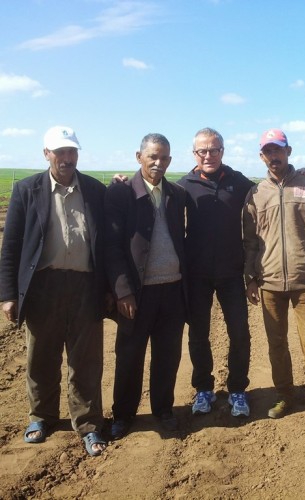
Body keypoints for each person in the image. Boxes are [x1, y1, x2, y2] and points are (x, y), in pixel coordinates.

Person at [0, 126, 109, 456]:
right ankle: (41, 417)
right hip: (43, 286)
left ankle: (89, 424)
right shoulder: (27, 190)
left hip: (85, 285)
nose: (66, 158)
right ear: (46, 153)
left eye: (72, 151)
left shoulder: (94, 189)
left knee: (86, 360)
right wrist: (7, 294)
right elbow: (11, 246)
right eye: (60, 151)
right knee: (42, 357)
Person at [242, 129, 305, 429]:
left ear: (289, 151)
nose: (274, 156)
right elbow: (249, 241)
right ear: (262, 156)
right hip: (269, 282)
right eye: (268, 151)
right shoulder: (256, 193)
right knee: (276, 344)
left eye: (278, 150)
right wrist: (250, 277)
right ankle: (284, 395)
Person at [105, 133, 187, 440]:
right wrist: (122, 290)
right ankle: (123, 414)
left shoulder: (176, 193)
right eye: (152, 156)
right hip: (137, 294)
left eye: (164, 157)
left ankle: (163, 410)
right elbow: (111, 247)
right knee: (129, 355)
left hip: (172, 290)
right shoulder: (121, 193)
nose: (158, 162)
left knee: (168, 355)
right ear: (139, 156)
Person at [177, 128, 254, 418]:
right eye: (202, 151)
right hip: (197, 275)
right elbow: (153, 195)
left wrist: (299, 175)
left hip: (232, 273)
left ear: (223, 151)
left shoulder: (239, 183)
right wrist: (121, 184)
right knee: (198, 335)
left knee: (240, 334)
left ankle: (237, 390)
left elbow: (270, 191)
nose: (208, 155)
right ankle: (203, 389)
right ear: (194, 153)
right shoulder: (184, 185)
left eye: (214, 150)